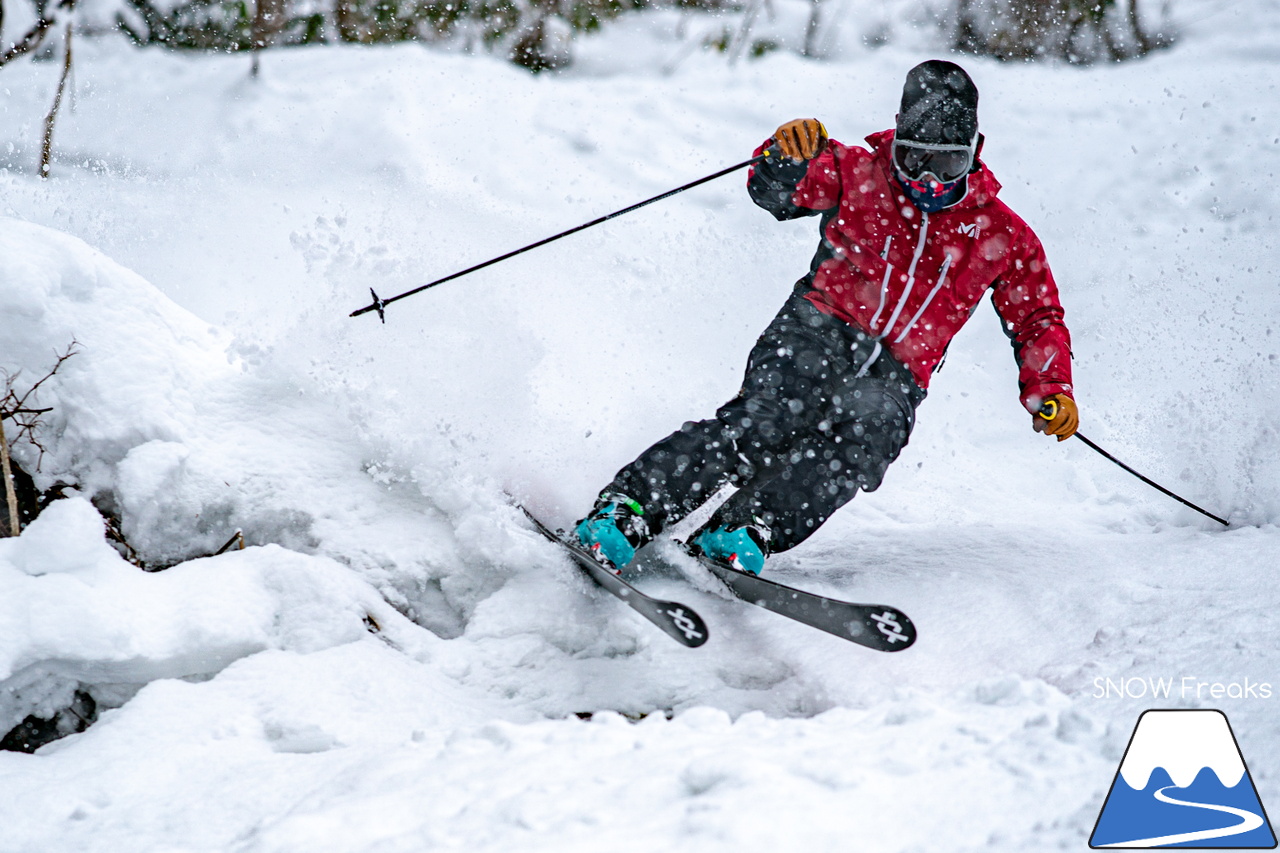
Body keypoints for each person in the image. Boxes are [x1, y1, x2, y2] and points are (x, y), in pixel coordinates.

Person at [575, 60, 1078, 576]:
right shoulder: (857, 171)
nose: (928, 180)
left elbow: (1037, 316)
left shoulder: (1001, 233)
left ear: (976, 152)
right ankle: (628, 508)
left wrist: (1051, 385)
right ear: (896, 135)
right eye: (914, 159)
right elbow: (775, 193)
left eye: (946, 165)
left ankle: (747, 526)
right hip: (817, 329)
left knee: (864, 442)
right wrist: (785, 157)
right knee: (767, 424)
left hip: (897, 374)